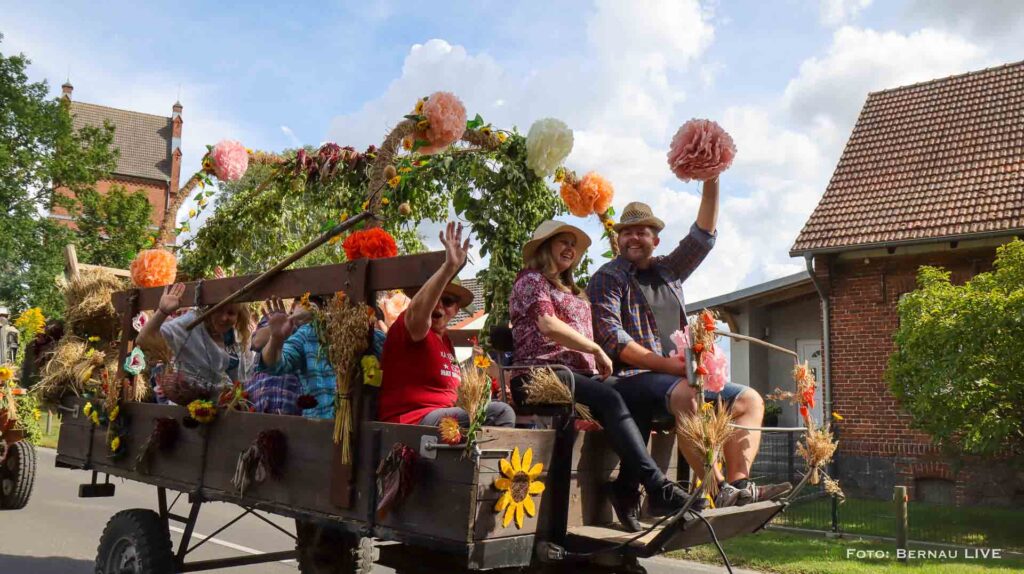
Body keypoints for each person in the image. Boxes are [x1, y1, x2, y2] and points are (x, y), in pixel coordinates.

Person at [587, 179, 791, 517]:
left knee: (750, 400)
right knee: (687, 394)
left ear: (655, 240)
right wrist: (672, 366)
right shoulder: (608, 277)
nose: (634, 238)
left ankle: (740, 485)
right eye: (627, 232)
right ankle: (718, 489)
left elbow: (703, 236)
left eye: (642, 232)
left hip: (682, 377)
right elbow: (613, 340)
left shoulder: (669, 271)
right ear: (618, 240)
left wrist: (712, 179)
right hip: (632, 379)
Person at [508, 220, 690, 531]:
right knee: (610, 398)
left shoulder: (574, 291)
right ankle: (657, 484)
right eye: (563, 242)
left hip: (580, 377)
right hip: (540, 374)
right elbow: (547, 324)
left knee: (638, 396)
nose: (570, 249)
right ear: (545, 247)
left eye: (573, 245)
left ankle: (625, 489)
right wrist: (594, 348)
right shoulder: (530, 280)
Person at [378, 222, 514, 428]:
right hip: (412, 422)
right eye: (435, 298)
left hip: (445, 422)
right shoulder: (413, 326)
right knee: (501, 413)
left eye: (448, 301)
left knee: (494, 409)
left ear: (456, 309)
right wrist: (449, 268)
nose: (439, 305)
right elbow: (418, 310)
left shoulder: (446, 342)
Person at [136, 283, 253, 399]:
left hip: (221, 406)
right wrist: (162, 311)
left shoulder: (235, 336)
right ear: (210, 308)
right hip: (186, 405)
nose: (224, 318)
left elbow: (240, 378)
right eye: (219, 310)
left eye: (231, 313)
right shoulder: (192, 323)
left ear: (238, 316)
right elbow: (143, 340)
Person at [259, 296, 337, 420]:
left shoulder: (357, 327)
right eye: (305, 304)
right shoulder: (306, 333)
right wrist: (275, 339)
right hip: (319, 425)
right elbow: (275, 365)